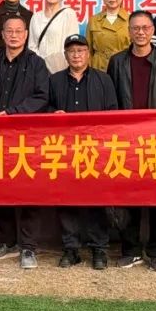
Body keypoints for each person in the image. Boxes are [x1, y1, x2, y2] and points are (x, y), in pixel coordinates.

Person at [106, 10, 156, 272]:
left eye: (145, 28)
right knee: (128, 197)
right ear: (129, 31)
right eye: (135, 28)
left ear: (152, 31)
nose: (140, 32)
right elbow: (111, 101)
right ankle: (131, 249)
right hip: (126, 140)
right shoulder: (117, 62)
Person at [0, 14, 50, 269]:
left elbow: (42, 97)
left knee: (29, 190)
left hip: (26, 137)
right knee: (0, 190)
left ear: (26, 34)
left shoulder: (36, 63)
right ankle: (8, 242)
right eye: (9, 31)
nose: (13, 35)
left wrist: (13, 112)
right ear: (2, 35)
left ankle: (28, 247)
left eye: (18, 31)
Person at [50, 35, 119, 270]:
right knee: (66, 200)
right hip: (64, 150)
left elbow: (113, 113)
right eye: (72, 51)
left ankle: (99, 249)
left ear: (88, 54)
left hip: (95, 151)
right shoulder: (54, 81)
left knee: (96, 200)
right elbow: (45, 108)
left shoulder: (103, 80)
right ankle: (71, 249)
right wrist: (53, 114)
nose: (76, 55)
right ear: (66, 55)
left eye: (80, 51)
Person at [28, 0, 81, 73]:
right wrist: (40, 65)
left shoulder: (68, 14)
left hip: (62, 68)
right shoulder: (36, 17)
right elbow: (32, 46)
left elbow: (72, 43)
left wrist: (56, 64)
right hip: (39, 70)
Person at [85, 0, 130, 71]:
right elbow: (88, 49)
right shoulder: (94, 20)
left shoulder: (131, 20)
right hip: (98, 67)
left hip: (123, 66)